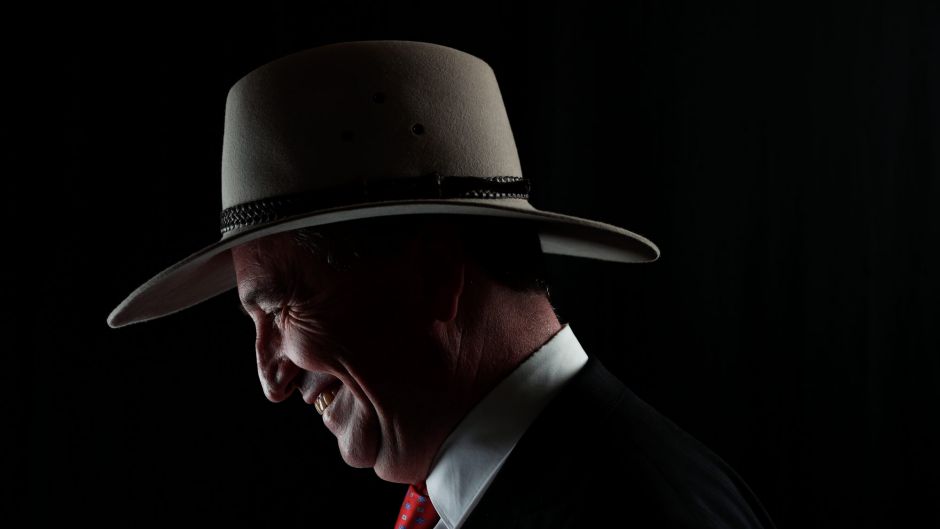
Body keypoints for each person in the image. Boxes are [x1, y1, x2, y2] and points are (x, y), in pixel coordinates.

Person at [108, 40, 776, 528]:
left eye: (282, 305)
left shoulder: (638, 513)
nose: (271, 380)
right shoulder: (504, 496)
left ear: (430, 276)